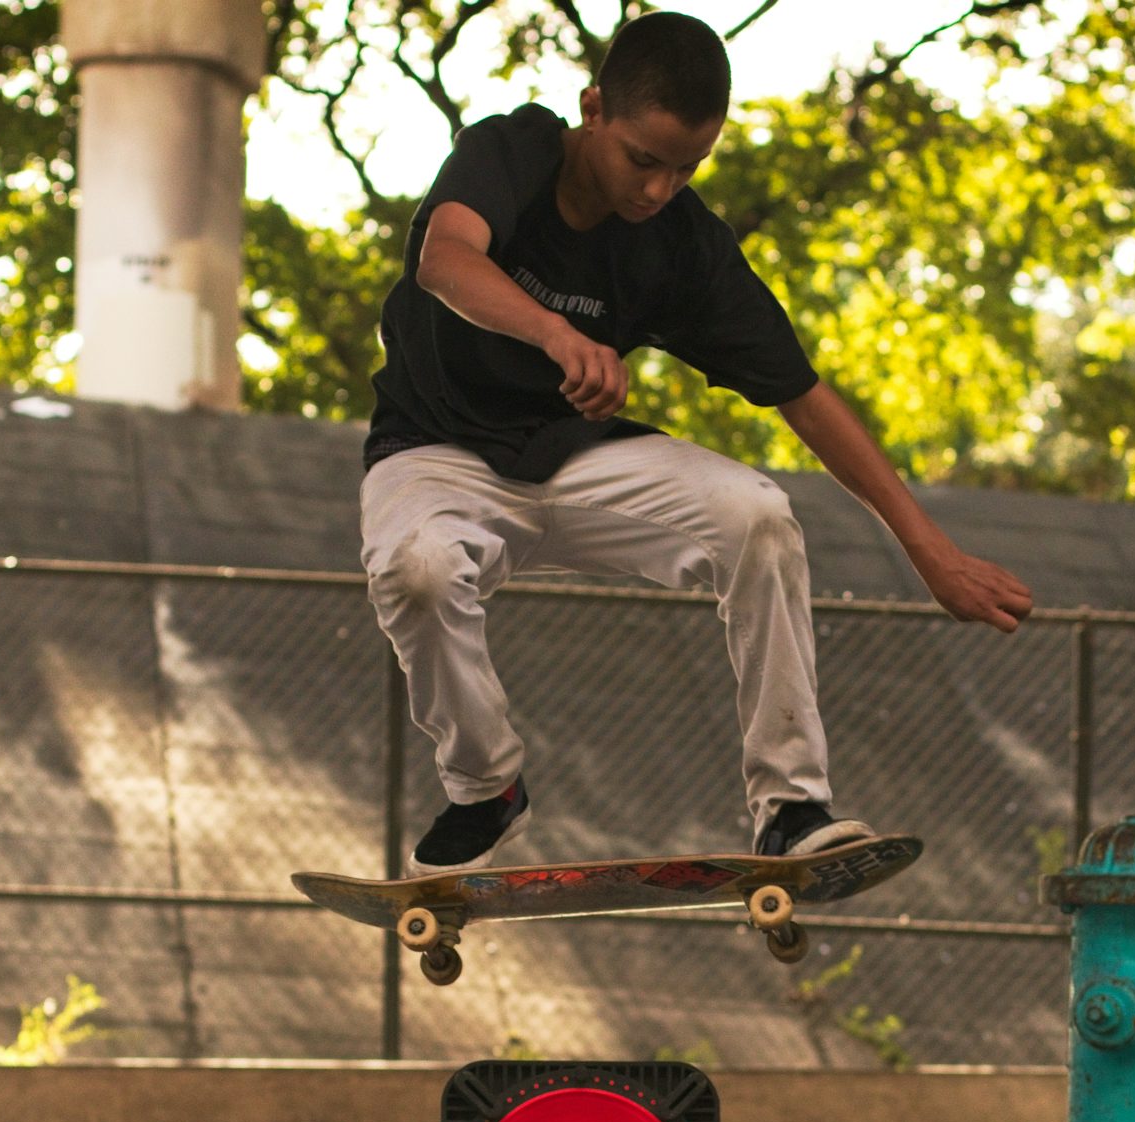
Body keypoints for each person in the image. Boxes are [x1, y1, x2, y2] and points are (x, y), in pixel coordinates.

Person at [360, 10, 1033, 876]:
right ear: (593, 109)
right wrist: (555, 333)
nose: (658, 190)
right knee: (418, 571)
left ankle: (792, 807)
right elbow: (446, 259)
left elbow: (806, 398)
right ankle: (485, 787)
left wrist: (930, 551)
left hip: (572, 459)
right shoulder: (510, 152)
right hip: (433, 449)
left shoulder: (683, 245)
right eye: (643, 159)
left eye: (687, 168)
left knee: (756, 515)